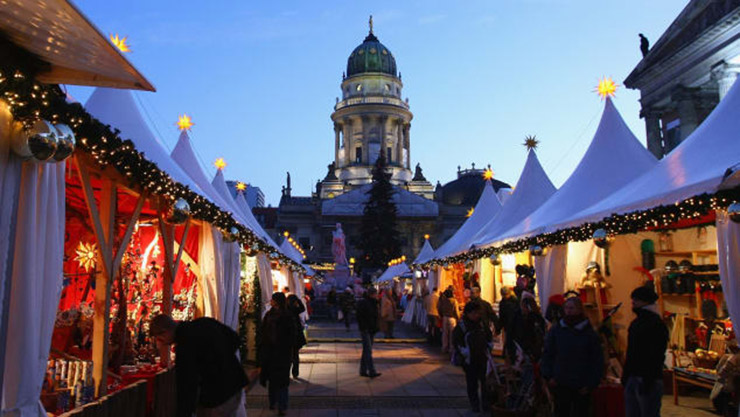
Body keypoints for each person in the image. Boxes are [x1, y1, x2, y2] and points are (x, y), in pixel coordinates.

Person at [149, 314, 247, 417]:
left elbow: (187, 385)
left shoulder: (185, 346)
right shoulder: (204, 323)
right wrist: (224, 359)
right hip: (234, 384)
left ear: (165, 332)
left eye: (159, 339)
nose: (161, 343)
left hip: (216, 396)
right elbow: (235, 339)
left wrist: (184, 413)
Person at [541, 297, 603, 417]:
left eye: (571, 308)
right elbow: (548, 353)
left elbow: (596, 359)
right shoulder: (557, 330)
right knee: (561, 411)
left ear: (579, 310)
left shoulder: (589, 333)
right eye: (566, 308)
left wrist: (591, 383)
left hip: (581, 382)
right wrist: (548, 375)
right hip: (560, 381)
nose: (568, 311)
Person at [622, 286, 668, 417]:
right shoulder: (640, 322)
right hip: (635, 375)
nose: (633, 302)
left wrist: (649, 378)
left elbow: (656, 353)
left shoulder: (654, 323)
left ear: (645, 301)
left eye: (636, 299)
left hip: (647, 378)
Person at [260, 293, 296, 415]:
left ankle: (274, 402)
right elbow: (292, 335)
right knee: (282, 381)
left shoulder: (269, 315)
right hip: (282, 353)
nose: (270, 301)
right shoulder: (287, 315)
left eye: (272, 299)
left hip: (272, 352)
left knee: (273, 379)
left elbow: (264, 333)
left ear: (276, 301)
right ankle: (282, 405)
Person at [453, 302, 493, 413]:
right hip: (469, 360)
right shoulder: (462, 326)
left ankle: (485, 404)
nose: (477, 315)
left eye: (478, 313)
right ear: (468, 313)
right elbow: (456, 341)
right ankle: (475, 404)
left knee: (485, 383)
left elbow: (489, 337)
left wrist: (489, 347)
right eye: (474, 313)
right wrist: (464, 352)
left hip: (482, 357)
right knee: (472, 383)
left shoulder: (482, 324)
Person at [512, 294, 547, 361]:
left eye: (523, 307)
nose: (522, 309)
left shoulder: (531, 318)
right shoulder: (537, 317)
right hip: (530, 346)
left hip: (530, 346)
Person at [356, 287, 381, 378]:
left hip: (371, 329)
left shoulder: (374, 303)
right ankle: (371, 371)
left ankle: (363, 370)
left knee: (366, 350)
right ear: (372, 294)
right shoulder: (364, 303)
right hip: (366, 329)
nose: (377, 295)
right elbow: (360, 316)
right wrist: (364, 327)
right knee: (368, 350)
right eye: (376, 294)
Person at [286, 294, 307, 379]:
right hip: (296, 336)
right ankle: (295, 373)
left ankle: (287, 373)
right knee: (295, 355)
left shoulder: (285, 309)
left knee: (288, 356)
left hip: (287, 337)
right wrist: (299, 300)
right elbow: (303, 308)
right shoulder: (295, 310)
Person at [498, 286, 519, 360]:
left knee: (510, 343)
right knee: (509, 342)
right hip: (509, 325)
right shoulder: (513, 301)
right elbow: (502, 316)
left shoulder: (514, 301)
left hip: (513, 325)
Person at [437, 288, 459, 353]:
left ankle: (444, 347)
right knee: (452, 334)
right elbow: (456, 310)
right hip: (452, 318)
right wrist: (458, 317)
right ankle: (451, 348)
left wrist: (441, 315)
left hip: (444, 317)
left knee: (445, 334)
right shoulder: (454, 301)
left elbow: (439, 308)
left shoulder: (444, 301)